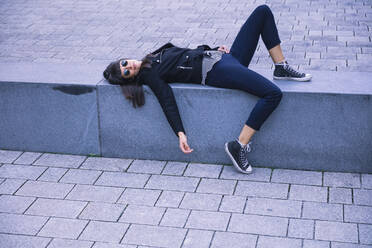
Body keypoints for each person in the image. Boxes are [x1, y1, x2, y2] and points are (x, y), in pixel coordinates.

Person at [103, 4, 312, 174]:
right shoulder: (149, 75)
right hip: (218, 71)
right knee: (273, 93)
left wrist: (212, 49)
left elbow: (186, 53)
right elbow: (166, 98)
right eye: (127, 72)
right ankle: (238, 145)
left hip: (224, 58)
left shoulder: (151, 56)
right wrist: (180, 133)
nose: (128, 66)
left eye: (124, 64)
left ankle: (280, 66)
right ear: (130, 79)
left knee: (262, 12)